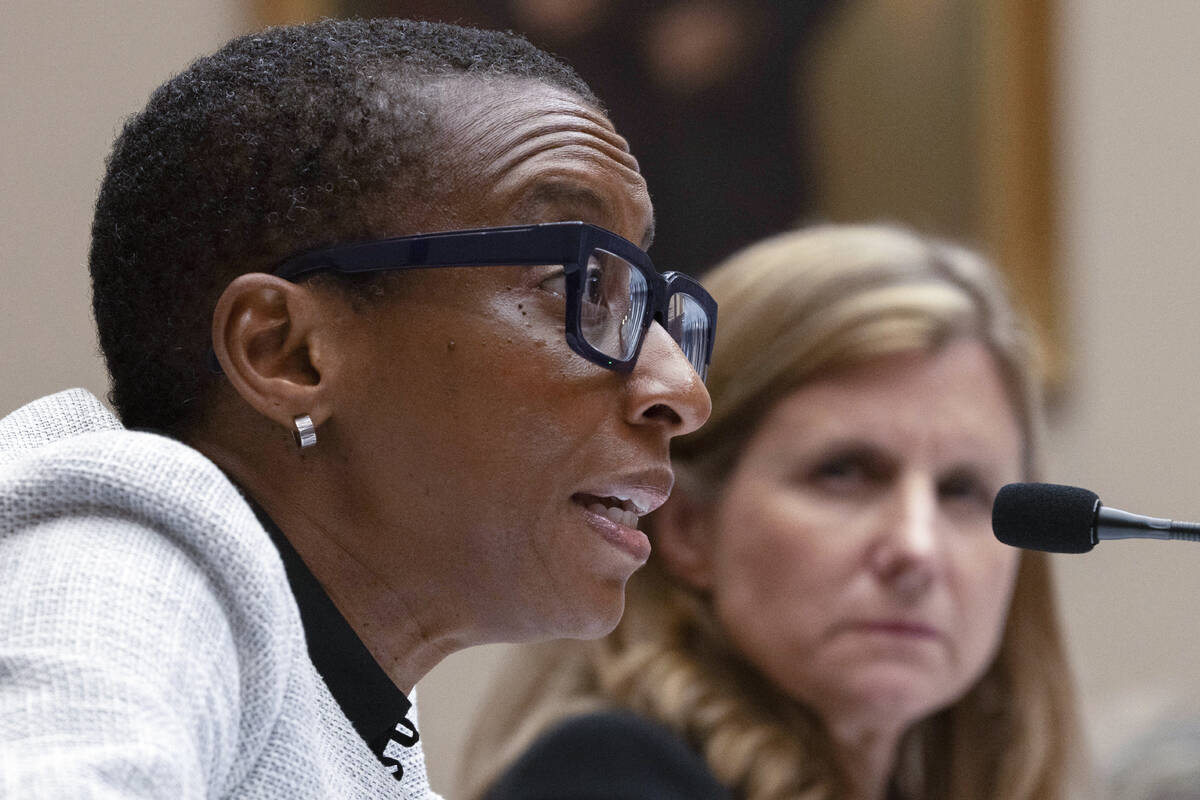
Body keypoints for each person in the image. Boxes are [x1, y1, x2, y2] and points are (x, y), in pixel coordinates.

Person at [0, 18, 713, 799]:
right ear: (289, 353)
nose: (681, 390)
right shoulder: (128, 552)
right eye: (576, 285)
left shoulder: (353, 708)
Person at [460, 224, 1082, 800]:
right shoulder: (603, 780)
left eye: (963, 490)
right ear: (689, 528)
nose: (916, 549)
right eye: (842, 473)